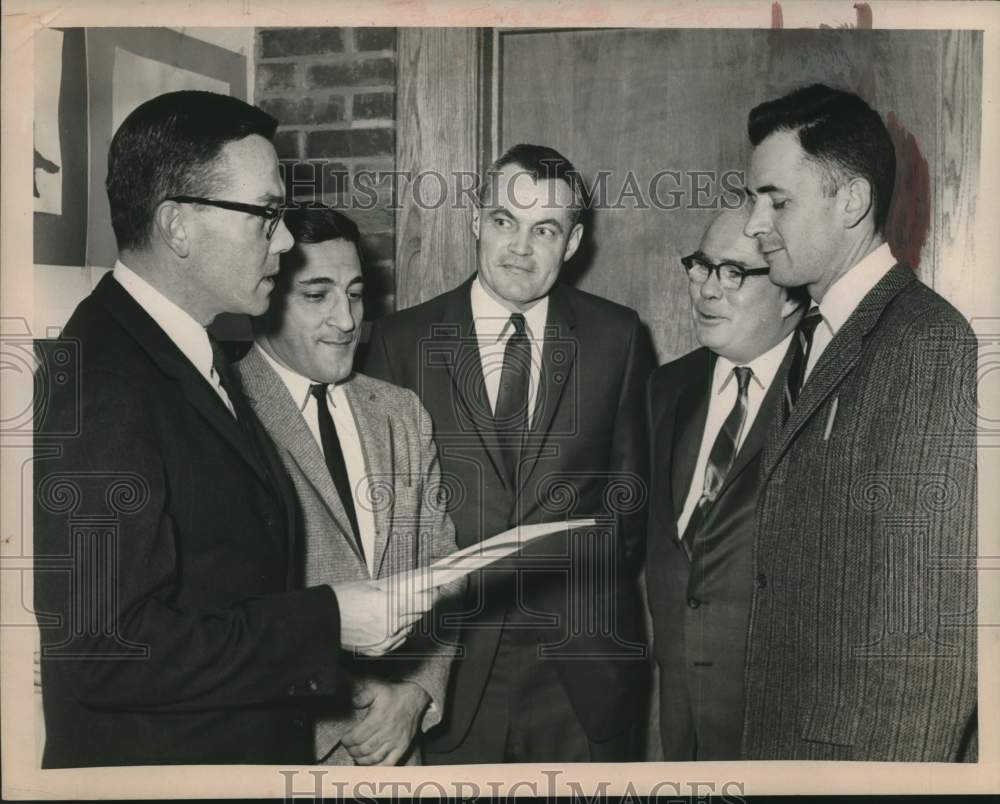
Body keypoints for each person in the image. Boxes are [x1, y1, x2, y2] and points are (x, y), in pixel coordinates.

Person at [32, 91, 434, 768]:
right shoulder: (103, 377)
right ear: (178, 225)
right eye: (266, 215)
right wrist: (328, 619)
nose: (283, 240)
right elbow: (105, 651)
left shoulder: (187, 353)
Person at [364, 143, 655, 763]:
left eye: (544, 229)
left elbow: (631, 508)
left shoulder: (617, 337)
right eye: (504, 222)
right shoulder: (401, 343)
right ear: (476, 221)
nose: (520, 248)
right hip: (448, 673)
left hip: (581, 675)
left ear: (571, 243)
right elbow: (386, 526)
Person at [741, 83, 977, 761]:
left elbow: (936, 626)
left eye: (776, 200)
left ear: (852, 201)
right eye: (755, 199)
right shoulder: (817, 335)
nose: (756, 224)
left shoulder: (928, 343)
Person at [235, 206, 460, 766]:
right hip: (286, 753)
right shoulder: (226, 411)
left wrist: (414, 695)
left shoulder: (400, 412)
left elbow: (443, 568)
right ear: (266, 295)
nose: (346, 319)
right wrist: (351, 706)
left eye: (355, 294)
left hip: (399, 752)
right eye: (318, 295)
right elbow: (229, 612)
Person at [646, 208, 805, 760]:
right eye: (702, 267)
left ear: (790, 293)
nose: (707, 291)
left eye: (734, 273)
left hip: (778, 726)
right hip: (675, 723)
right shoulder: (663, 390)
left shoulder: (826, 398)